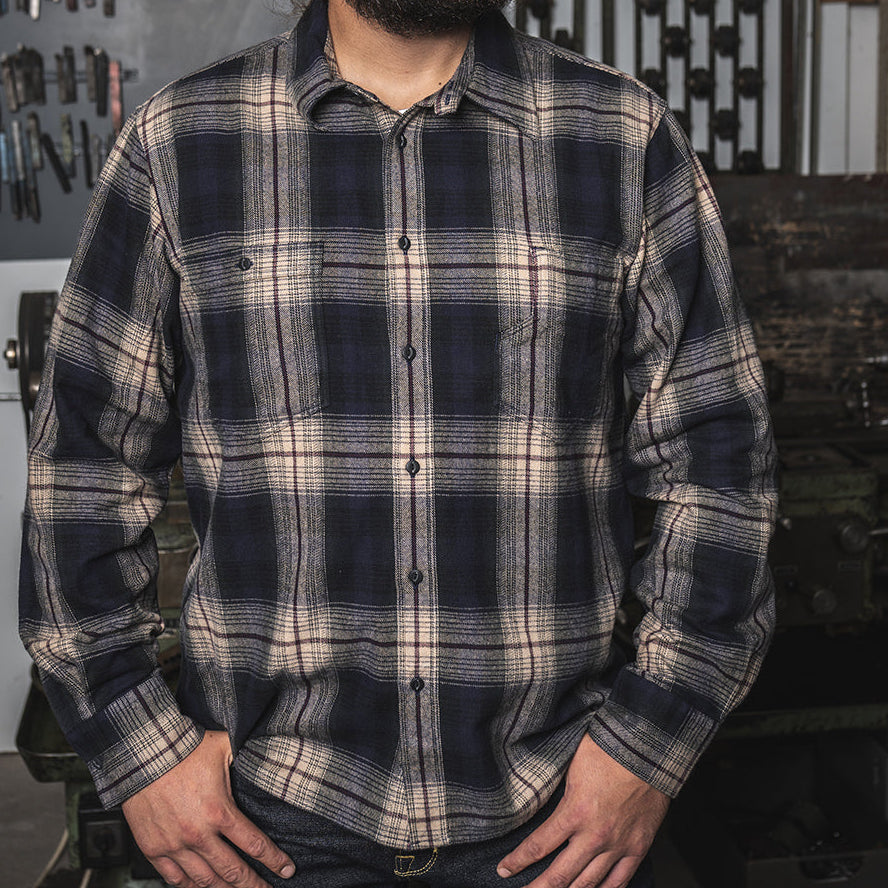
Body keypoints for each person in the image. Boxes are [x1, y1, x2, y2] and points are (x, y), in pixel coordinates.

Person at [18, 1, 777, 886]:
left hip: (562, 817)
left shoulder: (624, 137)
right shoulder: (178, 144)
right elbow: (83, 467)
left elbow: (719, 463)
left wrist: (650, 747)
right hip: (261, 824)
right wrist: (140, 749)